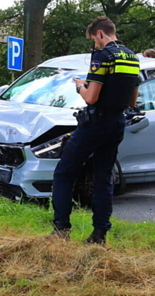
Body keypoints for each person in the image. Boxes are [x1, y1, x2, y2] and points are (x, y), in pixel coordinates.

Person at [51, 16, 140, 245]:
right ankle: (99, 234)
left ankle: (61, 229)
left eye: (94, 40)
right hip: (117, 123)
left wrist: (81, 85)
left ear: (100, 34)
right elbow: (132, 100)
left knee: (64, 172)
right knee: (103, 178)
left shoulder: (102, 56)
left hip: (95, 122)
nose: (94, 45)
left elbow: (91, 97)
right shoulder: (131, 56)